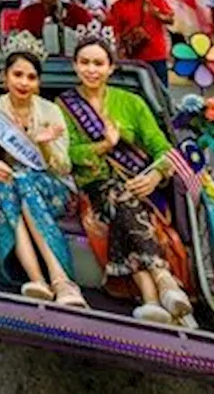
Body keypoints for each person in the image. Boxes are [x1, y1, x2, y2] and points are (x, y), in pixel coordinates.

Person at [57, 36, 192, 325]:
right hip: (93, 186)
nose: (91, 69)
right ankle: (163, 278)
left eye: (98, 63)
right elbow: (65, 153)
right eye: (84, 63)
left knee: (122, 201)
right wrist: (103, 146)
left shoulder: (131, 102)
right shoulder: (63, 105)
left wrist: (155, 174)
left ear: (110, 68)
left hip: (139, 184)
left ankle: (151, 297)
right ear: (75, 66)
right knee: (117, 195)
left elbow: (162, 147)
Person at [0, 46, 86, 306]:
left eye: (31, 77)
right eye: (17, 74)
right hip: (15, 187)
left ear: (38, 83)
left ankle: (61, 280)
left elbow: (63, 168)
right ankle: (38, 281)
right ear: (5, 78)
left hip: (56, 189)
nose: (23, 82)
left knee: (19, 180)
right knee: (6, 185)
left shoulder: (51, 111)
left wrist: (43, 143)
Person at [106, 0, 174, 88]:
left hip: (156, 52)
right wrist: (120, 55)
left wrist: (156, 15)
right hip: (134, 55)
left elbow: (170, 20)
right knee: (140, 88)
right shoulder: (117, 6)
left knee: (160, 87)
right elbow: (117, 33)